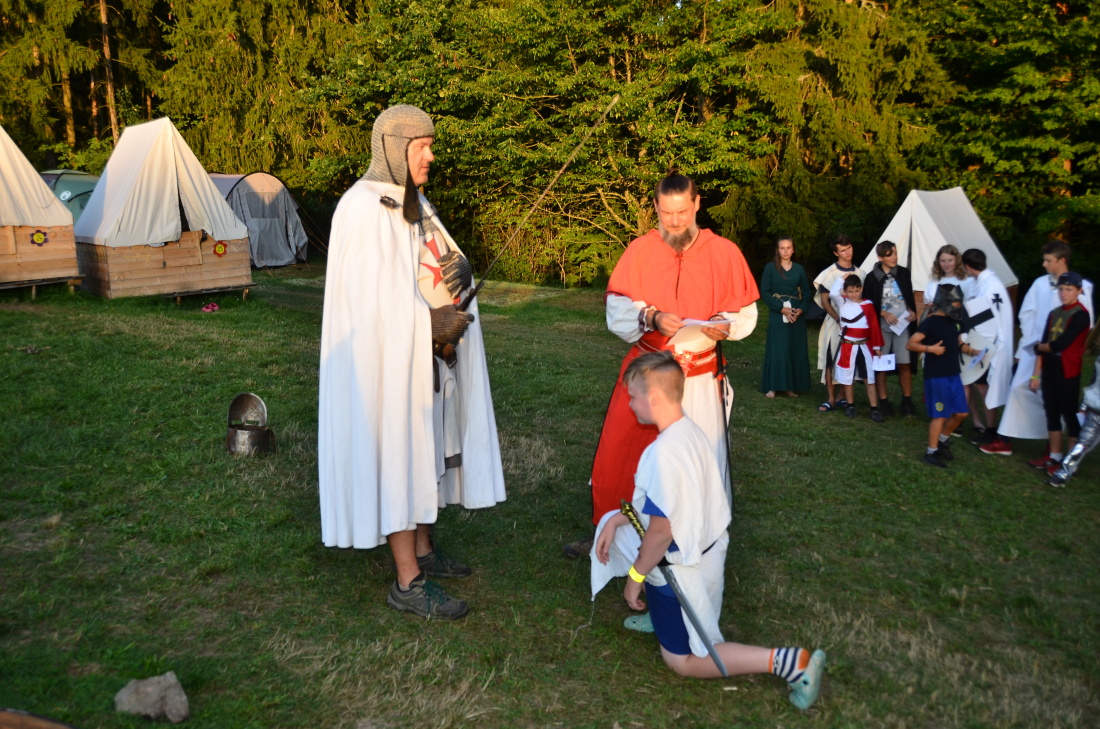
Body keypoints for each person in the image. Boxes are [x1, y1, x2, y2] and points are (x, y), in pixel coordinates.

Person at [318, 104, 506, 620]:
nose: (430, 155)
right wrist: (427, 324)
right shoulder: (361, 208)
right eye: (422, 146)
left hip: (424, 359)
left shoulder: (413, 201)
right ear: (393, 147)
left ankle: (423, 548)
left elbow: (434, 266)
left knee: (426, 447)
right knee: (399, 453)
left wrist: (459, 282)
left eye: (430, 144)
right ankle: (408, 581)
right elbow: (367, 306)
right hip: (385, 365)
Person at [592, 352, 826, 709]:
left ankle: (789, 663)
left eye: (633, 396)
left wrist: (635, 578)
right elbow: (673, 504)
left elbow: (661, 531)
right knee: (621, 528)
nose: (630, 403)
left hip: (681, 567)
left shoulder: (662, 454)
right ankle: (662, 618)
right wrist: (616, 519)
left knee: (683, 661)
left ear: (653, 397)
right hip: (709, 547)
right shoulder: (689, 430)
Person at [566, 173, 759, 562]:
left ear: (697, 204)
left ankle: (692, 544)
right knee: (622, 457)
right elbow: (617, 309)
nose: (675, 221)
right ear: (655, 207)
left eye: (682, 212)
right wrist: (652, 318)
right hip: (647, 376)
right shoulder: (640, 250)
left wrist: (724, 324)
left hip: (699, 380)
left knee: (694, 462)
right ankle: (614, 540)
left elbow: (745, 313)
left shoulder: (724, 252)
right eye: (667, 213)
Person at [998, 240, 1094, 451]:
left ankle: (1054, 449)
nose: (1044, 264)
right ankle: (1006, 438)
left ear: (1062, 260)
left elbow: (1085, 324)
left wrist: (1062, 347)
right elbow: (1027, 313)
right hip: (1036, 349)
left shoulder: (1082, 288)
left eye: (1048, 260)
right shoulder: (1040, 284)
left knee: (1058, 403)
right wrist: (1029, 343)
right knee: (1018, 388)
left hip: (1064, 357)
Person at [906, 284, 977, 467]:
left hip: (953, 373)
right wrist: (931, 349)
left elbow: (957, 344)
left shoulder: (955, 322)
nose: (958, 306)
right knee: (940, 415)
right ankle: (931, 452)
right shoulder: (930, 322)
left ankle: (942, 440)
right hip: (937, 375)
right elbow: (911, 344)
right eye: (955, 303)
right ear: (944, 302)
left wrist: (971, 351)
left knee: (961, 413)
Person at [1028, 272, 1092, 473]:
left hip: (1067, 370)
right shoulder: (1054, 313)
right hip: (1050, 368)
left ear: (1079, 291)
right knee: (1052, 412)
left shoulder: (1081, 315)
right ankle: (1054, 456)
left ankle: (1070, 461)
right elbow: (1044, 343)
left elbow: (1059, 345)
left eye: (1069, 289)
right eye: (1061, 289)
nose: (1064, 293)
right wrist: (1036, 374)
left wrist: (1040, 347)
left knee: (1069, 414)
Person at [958, 249, 1015, 454]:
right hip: (983, 342)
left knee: (984, 387)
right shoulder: (980, 283)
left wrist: (972, 342)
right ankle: (986, 427)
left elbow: (985, 319)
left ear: (967, 266)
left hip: (988, 344)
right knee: (979, 385)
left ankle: (991, 430)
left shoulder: (990, 286)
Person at [862, 240, 918, 417]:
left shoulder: (903, 273)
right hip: (882, 328)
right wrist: (883, 313)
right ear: (880, 257)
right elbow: (868, 304)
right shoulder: (872, 278)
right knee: (881, 365)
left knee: (905, 363)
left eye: (895, 253)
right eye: (889, 255)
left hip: (903, 325)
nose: (894, 257)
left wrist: (912, 311)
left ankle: (907, 401)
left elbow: (908, 297)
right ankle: (884, 401)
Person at [813, 235, 865, 412]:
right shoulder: (829, 274)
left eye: (849, 248)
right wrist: (838, 319)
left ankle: (843, 396)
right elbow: (825, 301)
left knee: (848, 359)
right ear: (836, 253)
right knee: (831, 358)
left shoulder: (861, 274)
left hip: (854, 324)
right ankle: (831, 398)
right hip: (835, 323)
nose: (847, 252)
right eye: (843, 250)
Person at [759, 237, 812, 398]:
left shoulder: (799, 269)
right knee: (779, 348)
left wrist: (801, 310)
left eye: (789, 247)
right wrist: (780, 309)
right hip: (778, 313)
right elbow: (765, 292)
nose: (786, 251)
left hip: (795, 314)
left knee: (792, 348)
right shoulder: (770, 268)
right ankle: (773, 386)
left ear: (793, 250)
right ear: (778, 250)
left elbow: (807, 293)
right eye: (782, 248)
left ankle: (790, 386)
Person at [1048, 325, 1100, 487]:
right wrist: (1084, 405)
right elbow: (1093, 383)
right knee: (1082, 443)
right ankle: (1062, 474)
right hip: (1096, 410)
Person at [834, 275, 884, 420]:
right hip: (848, 346)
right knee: (848, 377)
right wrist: (841, 279)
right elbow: (833, 293)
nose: (854, 294)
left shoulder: (868, 305)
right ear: (845, 291)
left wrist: (876, 346)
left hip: (864, 346)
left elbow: (874, 326)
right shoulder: (842, 302)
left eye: (856, 291)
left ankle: (874, 408)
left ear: (861, 289)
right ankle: (850, 405)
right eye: (850, 291)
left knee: (869, 377)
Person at [923, 244, 972, 314]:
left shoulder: (966, 280)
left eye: (950, 260)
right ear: (938, 262)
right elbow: (928, 308)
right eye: (943, 261)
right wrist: (930, 307)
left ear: (957, 260)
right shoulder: (934, 281)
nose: (946, 264)